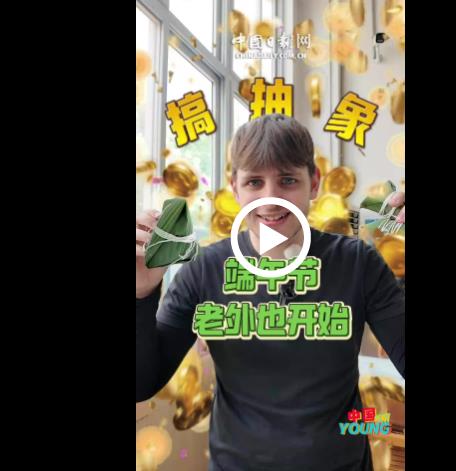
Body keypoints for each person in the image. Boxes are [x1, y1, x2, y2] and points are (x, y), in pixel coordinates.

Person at [136, 114, 404, 470]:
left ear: (314, 183)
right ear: (235, 189)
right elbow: (142, 383)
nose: (271, 199)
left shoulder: (358, 263)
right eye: (254, 182)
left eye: (287, 180)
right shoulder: (205, 270)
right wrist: (140, 296)